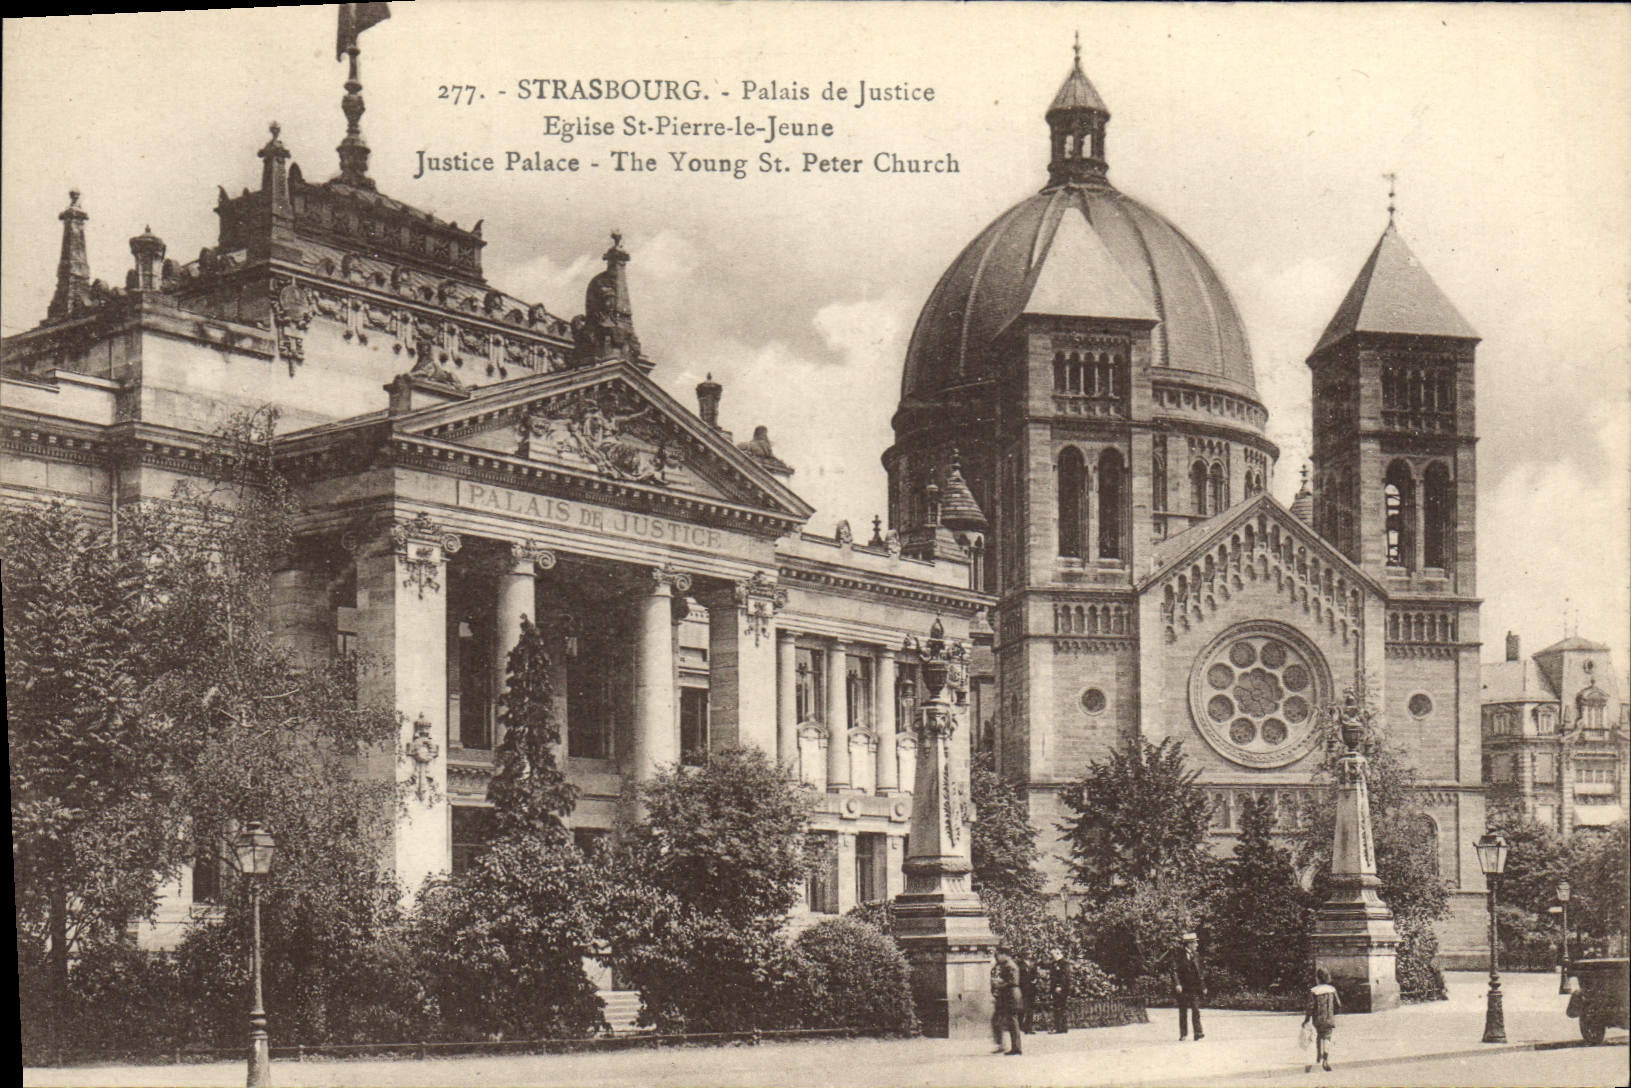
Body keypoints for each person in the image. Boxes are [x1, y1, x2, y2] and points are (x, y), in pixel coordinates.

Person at [1303, 966, 1342, 1072]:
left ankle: (1318, 1056)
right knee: (1328, 1037)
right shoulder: (1332, 990)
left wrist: (1306, 1020)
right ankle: (1326, 1058)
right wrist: (1334, 1013)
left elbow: (1310, 1007)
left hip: (1318, 1019)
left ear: (1318, 978)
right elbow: (1338, 1004)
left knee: (1319, 1036)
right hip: (1329, 1018)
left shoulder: (1314, 991)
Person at [1171, 931, 1206, 1041]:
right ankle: (1183, 1034)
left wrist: (1203, 986)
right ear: (1189, 944)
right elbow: (1174, 971)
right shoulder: (1178, 956)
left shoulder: (1196, 955)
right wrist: (1177, 984)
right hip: (1183, 988)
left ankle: (1198, 1033)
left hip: (1194, 988)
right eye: (1195, 943)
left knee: (1196, 1010)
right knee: (1183, 1011)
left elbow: (1200, 973)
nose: (1197, 945)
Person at [989, 945, 1024, 1055]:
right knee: (1005, 1021)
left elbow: (1013, 982)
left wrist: (999, 984)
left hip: (1011, 996)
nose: (998, 957)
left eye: (999, 954)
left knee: (1012, 1022)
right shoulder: (1006, 965)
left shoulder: (1010, 965)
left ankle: (1016, 1047)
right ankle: (1008, 1046)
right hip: (1008, 996)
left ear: (1005, 954)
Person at [1049, 948, 1072, 1034]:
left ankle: (1062, 1027)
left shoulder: (1064, 963)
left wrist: (1060, 986)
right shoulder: (1054, 963)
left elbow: (1065, 976)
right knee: (1057, 1008)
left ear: (1058, 953)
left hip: (1061, 989)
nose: (1051, 957)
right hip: (1055, 989)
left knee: (1061, 1007)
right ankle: (1059, 1027)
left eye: (1053, 955)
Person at [1019, 954, 1038, 1033]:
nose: (1029, 956)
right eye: (1027, 954)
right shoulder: (1020, 965)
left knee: (1030, 1009)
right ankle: (1020, 1026)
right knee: (1022, 1009)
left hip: (1031, 990)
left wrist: (1035, 980)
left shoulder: (1032, 965)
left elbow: (1035, 975)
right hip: (1023, 989)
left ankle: (1028, 1027)